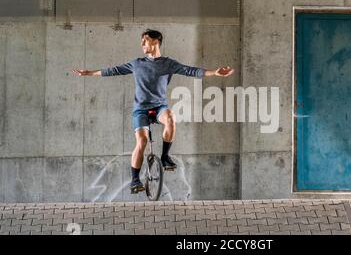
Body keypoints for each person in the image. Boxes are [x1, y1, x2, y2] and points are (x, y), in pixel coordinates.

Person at [73, 29, 234, 193]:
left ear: (156, 42)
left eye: (146, 40)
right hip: (140, 110)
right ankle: (135, 180)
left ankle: (165, 157)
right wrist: (90, 73)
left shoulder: (168, 64)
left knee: (170, 118)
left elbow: (191, 70)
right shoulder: (137, 63)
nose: (142, 43)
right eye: (141, 40)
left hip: (159, 107)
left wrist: (214, 72)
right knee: (142, 142)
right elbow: (114, 70)